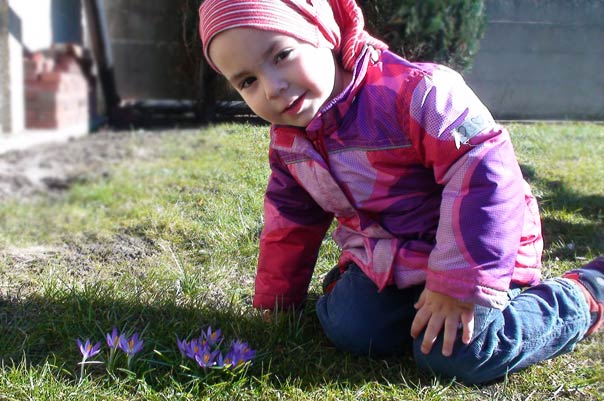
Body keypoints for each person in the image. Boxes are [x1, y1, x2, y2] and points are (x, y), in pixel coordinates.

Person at [198, 0, 603, 384]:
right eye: (247, 81)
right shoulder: (291, 141)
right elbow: (290, 221)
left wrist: (459, 284)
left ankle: (585, 291)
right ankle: (394, 297)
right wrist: (277, 303)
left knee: (459, 354)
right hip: (396, 257)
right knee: (353, 330)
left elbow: (486, 175)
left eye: (282, 55)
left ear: (323, 31)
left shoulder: (418, 93)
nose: (272, 87)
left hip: (481, 250)